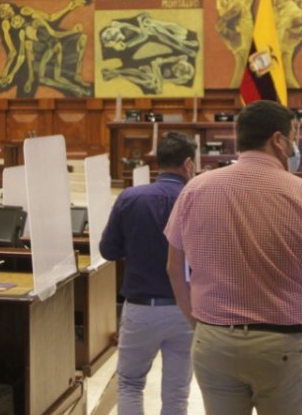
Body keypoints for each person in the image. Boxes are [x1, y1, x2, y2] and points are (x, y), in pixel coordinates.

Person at [164, 100, 302, 414]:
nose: (295, 147)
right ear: (278, 140)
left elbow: (174, 269)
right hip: (280, 345)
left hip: (214, 339)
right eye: (293, 136)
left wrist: (200, 327)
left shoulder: (196, 189)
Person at [99, 132, 199, 415]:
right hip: (186, 308)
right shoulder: (198, 200)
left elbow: (108, 250)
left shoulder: (130, 197)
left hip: (141, 308)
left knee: (130, 384)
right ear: (188, 164)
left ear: (157, 162)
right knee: (177, 394)